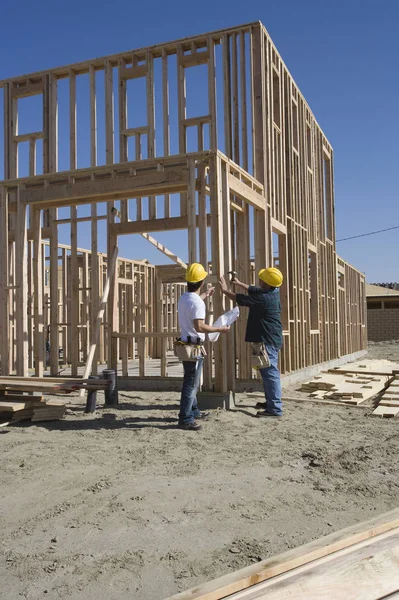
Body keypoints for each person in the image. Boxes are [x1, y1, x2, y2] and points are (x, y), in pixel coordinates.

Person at [219, 268, 284, 418]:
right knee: (267, 373)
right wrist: (239, 283)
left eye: (262, 280)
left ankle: (275, 409)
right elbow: (254, 289)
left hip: (267, 340)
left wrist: (225, 291)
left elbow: (242, 299)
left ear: (267, 284)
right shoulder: (271, 292)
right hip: (270, 338)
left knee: (271, 374)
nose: (259, 281)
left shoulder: (264, 299)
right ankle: (271, 403)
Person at [178, 263, 230, 431]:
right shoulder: (197, 304)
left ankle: (194, 411)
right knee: (191, 383)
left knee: (191, 380)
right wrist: (219, 329)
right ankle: (185, 418)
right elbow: (200, 326)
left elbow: (194, 304)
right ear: (201, 282)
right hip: (193, 346)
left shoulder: (183, 298)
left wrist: (205, 295)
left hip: (186, 344)